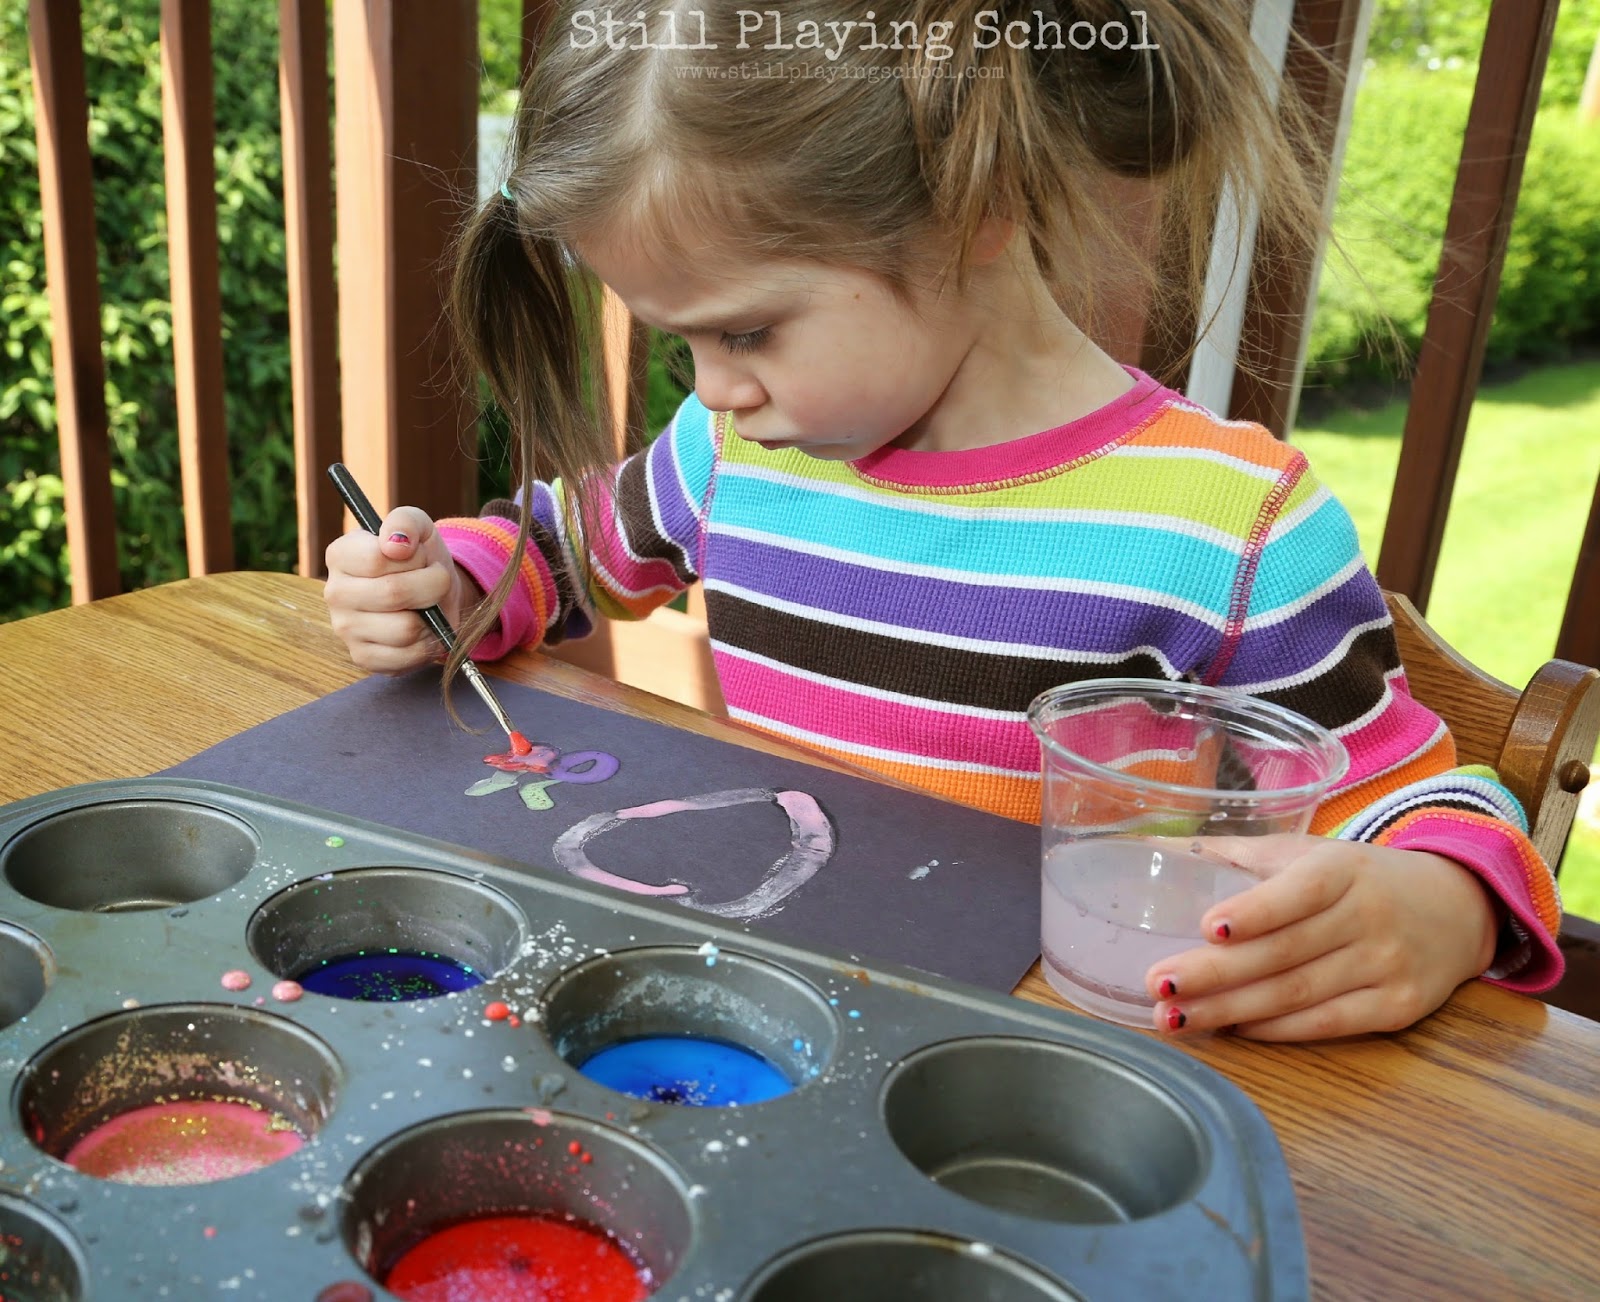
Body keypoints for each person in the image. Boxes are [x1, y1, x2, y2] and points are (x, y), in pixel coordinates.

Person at [324, 0, 1563, 1039]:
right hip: (778, 1010)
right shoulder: (733, 453)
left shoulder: (1223, 528)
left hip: (1049, 1061)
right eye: (682, 342)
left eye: (746, 332)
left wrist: (1440, 902)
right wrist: (445, 581)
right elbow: (558, 553)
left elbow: (1412, 797)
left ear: (976, 208)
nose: (709, 389)